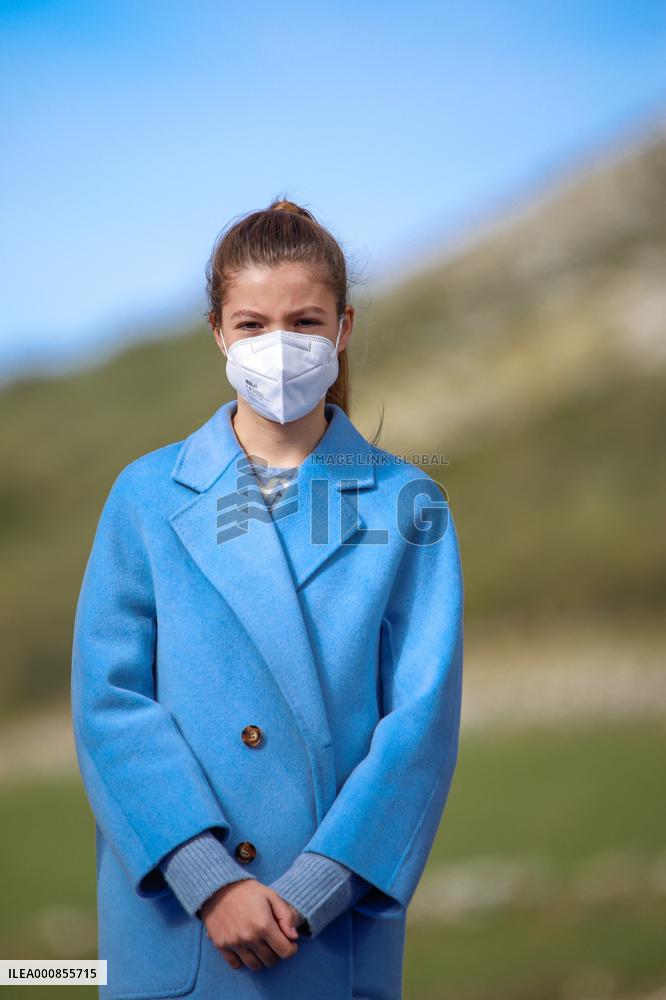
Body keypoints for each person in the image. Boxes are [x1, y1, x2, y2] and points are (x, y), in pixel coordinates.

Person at [71, 197, 464, 1000]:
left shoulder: (407, 501)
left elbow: (419, 727)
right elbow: (109, 706)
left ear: (343, 328)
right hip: (179, 926)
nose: (278, 346)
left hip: (329, 933)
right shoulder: (145, 495)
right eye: (252, 324)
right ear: (217, 331)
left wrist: (317, 887)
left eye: (305, 321)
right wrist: (209, 879)